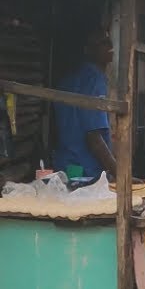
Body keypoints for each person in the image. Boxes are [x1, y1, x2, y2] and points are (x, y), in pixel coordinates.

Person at [52, 30, 115, 180]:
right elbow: (94, 138)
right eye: (103, 43)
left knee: (70, 190)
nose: (110, 46)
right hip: (87, 170)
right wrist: (119, 173)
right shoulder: (95, 79)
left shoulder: (68, 79)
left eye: (109, 41)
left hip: (67, 166)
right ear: (88, 50)